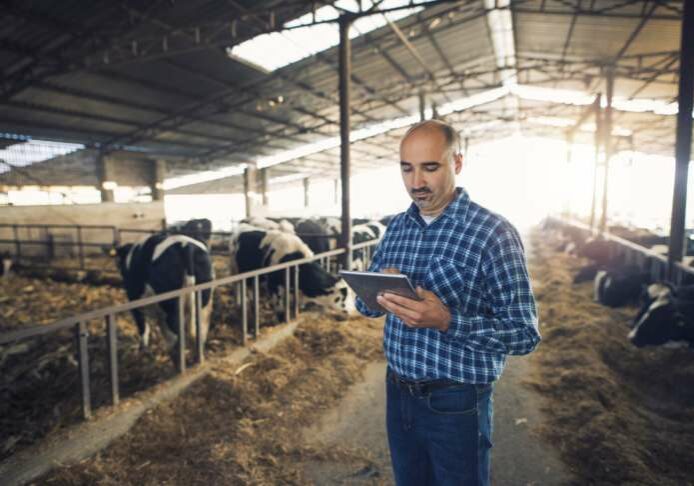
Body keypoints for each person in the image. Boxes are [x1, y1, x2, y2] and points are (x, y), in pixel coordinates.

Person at [355, 119, 541, 486]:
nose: (416, 182)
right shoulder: (396, 228)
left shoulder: (492, 233)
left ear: (456, 163)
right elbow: (366, 308)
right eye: (407, 168)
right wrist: (376, 294)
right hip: (399, 391)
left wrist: (446, 320)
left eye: (430, 167)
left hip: (456, 401)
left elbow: (524, 334)